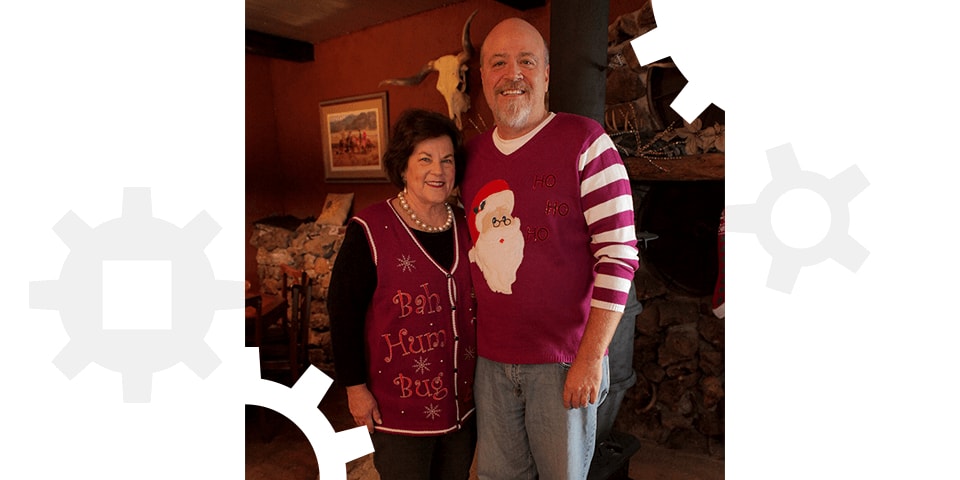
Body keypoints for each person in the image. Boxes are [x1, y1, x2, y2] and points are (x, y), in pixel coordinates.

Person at [459, 17, 640, 480]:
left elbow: (618, 255)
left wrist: (589, 358)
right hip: (492, 362)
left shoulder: (586, 142)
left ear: (546, 74)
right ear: (483, 78)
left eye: (526, 61)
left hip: (564, 363)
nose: (512, 74)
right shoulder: (470, 157)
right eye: (498, 63)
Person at [328, 109, 477, 480]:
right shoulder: (370, 228)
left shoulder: (466, 224)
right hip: (396, 412)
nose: (437, 171)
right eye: (424, 159)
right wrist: (355, 389)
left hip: (462, 407)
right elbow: (342, 311)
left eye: (446, 160)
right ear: (403, 166)